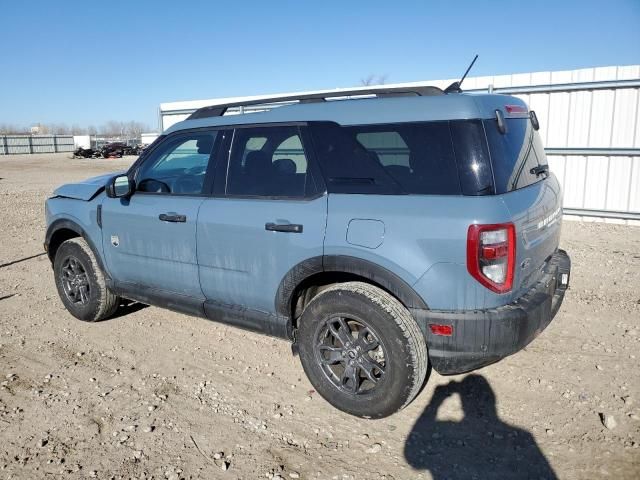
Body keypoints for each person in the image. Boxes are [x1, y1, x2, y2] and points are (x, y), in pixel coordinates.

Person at [404, 374, 557, 480]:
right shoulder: (523, 437)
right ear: (493, 401)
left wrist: (436, 400)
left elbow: (413, 457)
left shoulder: (450, 430)